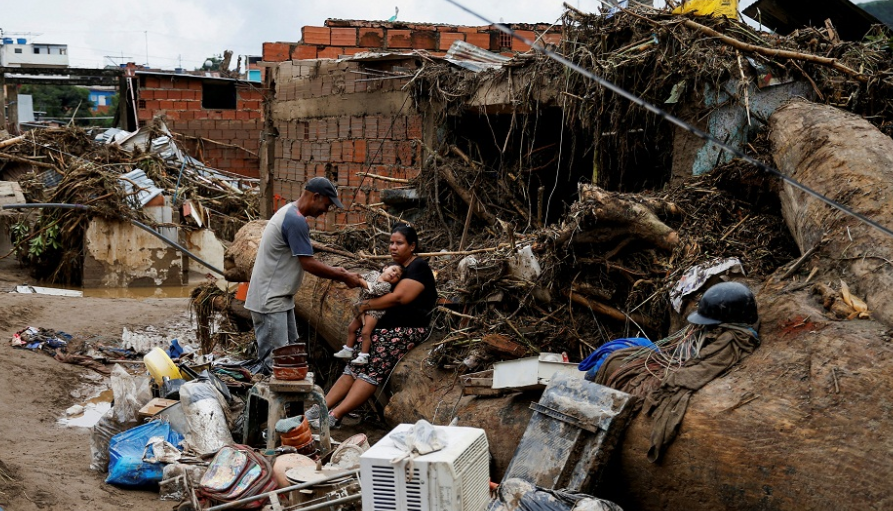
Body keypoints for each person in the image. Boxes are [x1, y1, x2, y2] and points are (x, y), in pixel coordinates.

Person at [308, 223, 437, 428]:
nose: (393, 247)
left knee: (371, 371)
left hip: (405, 331)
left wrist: (363, 306)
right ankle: (320, 408)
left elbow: (398, 298)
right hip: (381, 329)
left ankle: (333, 415)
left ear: (412, 246)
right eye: (391, 243)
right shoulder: (394, 269)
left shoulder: (418, 267)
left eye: (399, 243)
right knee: (353, 368)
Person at [244, 177, 362, 374]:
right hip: (270, 300)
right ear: (316, 197)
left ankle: (289, 405)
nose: (326, 211)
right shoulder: (295, 220)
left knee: (289, 359)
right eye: (327, 204)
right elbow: (307, 263)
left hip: (279, 299)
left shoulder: (291, 213)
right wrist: (343, 274)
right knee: (276, 366)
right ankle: (272, 405)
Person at [333, 262, 405, 365]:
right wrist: (350, 277)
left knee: (365, 332)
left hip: (373, 311)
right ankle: (347, 350)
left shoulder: (386, 286)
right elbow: (361, 277)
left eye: (397, 276)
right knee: (351, 328)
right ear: (385, 268)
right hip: (361, 307)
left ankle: (364, 356)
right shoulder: (373, 274)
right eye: (393, 270)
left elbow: (373, 289)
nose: (394, 274)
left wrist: (360, 281)